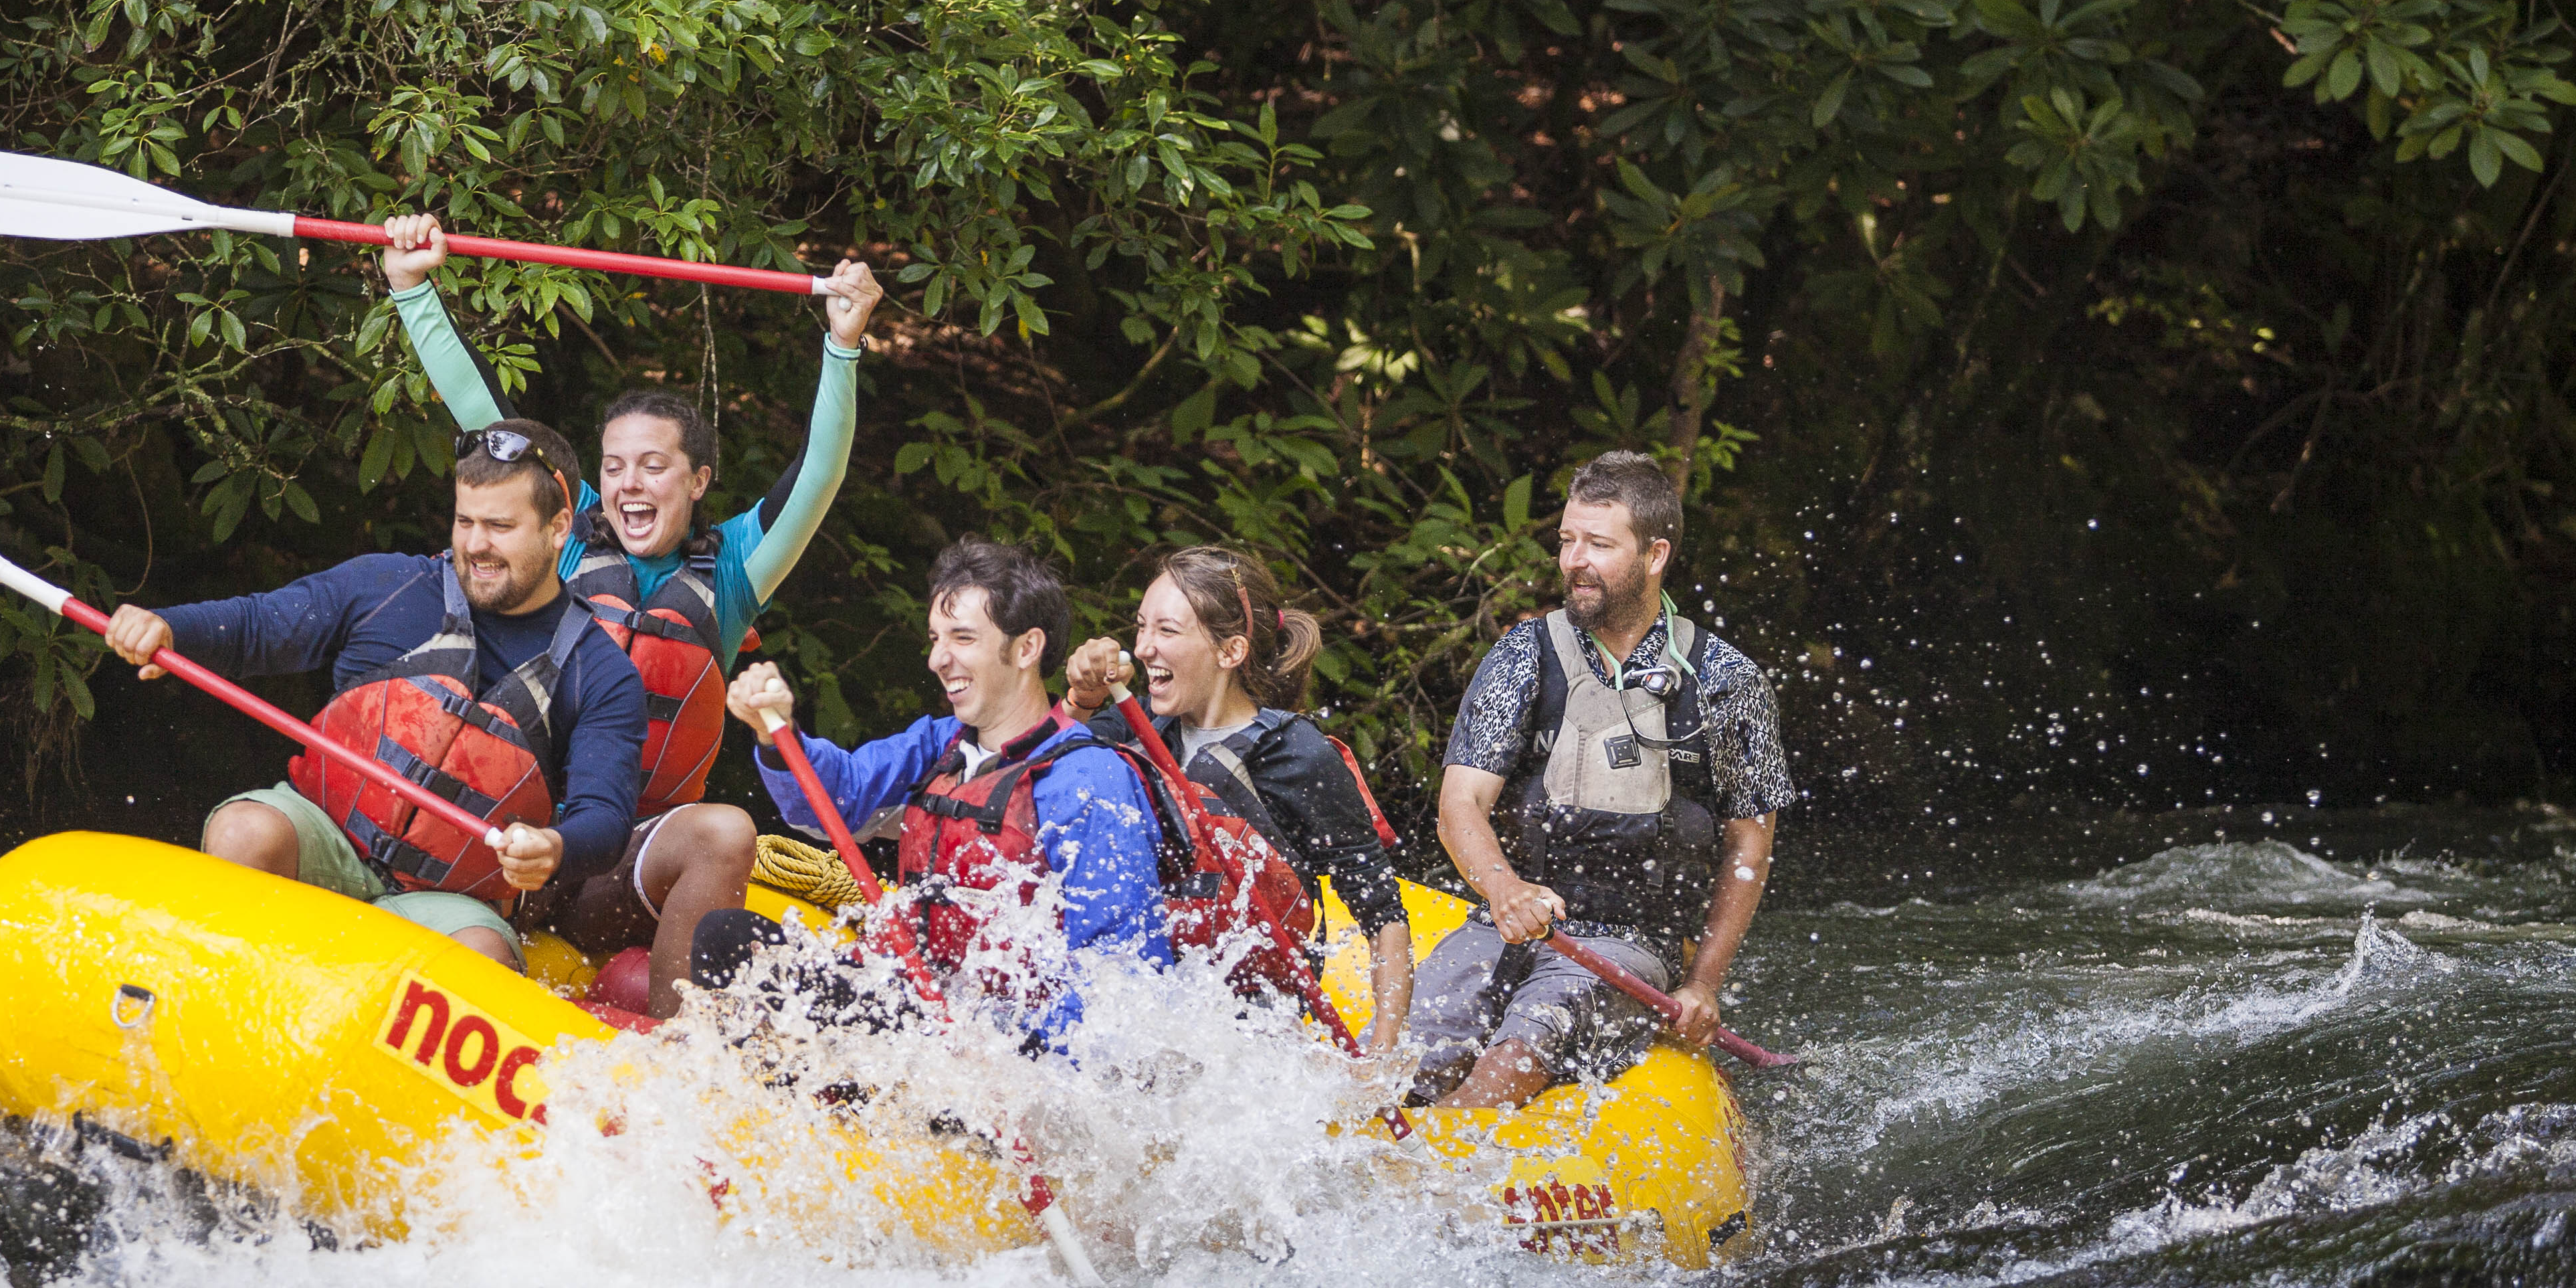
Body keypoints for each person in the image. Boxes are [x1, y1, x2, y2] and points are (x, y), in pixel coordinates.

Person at [374, 211, 884, 1014]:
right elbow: (488, 421)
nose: (630, 485)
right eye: (614, 467)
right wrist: (412, 291)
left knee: (723, 830)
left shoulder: (738, 571)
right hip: (525, 840)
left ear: (700, 480)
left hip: (625, 864)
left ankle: (681, 1056)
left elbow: (818, 476)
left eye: (655, 467)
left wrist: (843, 343)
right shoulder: (564, 536)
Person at [100, 422, 648, 969]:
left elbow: (603, 817)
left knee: (482, 954)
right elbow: (256, 625)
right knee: (244, 831)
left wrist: (554, 847)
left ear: (558, 529)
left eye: (500, 526)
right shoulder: (387, 587)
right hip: (324, 836)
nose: (476, 545)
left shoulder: (601, 674)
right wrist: (167, 629)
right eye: (465, 521)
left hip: (446, 901)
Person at [1422, 450, 1793, 1107]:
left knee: (1517, 1051)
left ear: (1655, 557)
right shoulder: (1521, 655)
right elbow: (1459, 806)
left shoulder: (1727, 680)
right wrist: (1505, 891)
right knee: (1409, 1051)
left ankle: (1431, 1172)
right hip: (1503, 923)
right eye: (1567, 540)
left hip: (1634, 947)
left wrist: (1704, 984)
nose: (1574, 561)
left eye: (1598, 543)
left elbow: (1748, 847)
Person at [707, 538, 1171, 1054]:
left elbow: (1119, 976)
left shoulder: (1089, 778)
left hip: (1007, 1046)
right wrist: (778, 733)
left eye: (962, 638)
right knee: (726, 937)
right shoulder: (939, 743)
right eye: (935, 638)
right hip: (917, 1004)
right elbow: (835, 799)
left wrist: (1015, 1064)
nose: (937, 659)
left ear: (1026, 648)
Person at [1058, 545, 1416, 1051]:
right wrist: (1081, 699)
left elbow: (1382, 914)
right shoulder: (1130, 725)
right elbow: (1033, 775)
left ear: (1230, 652)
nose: (1142, 649)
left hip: (1247, 1023)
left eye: (1167, 631)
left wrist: (1383, 1049)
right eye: (1141, 627)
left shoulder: (1299, 755)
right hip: (1133, 996)